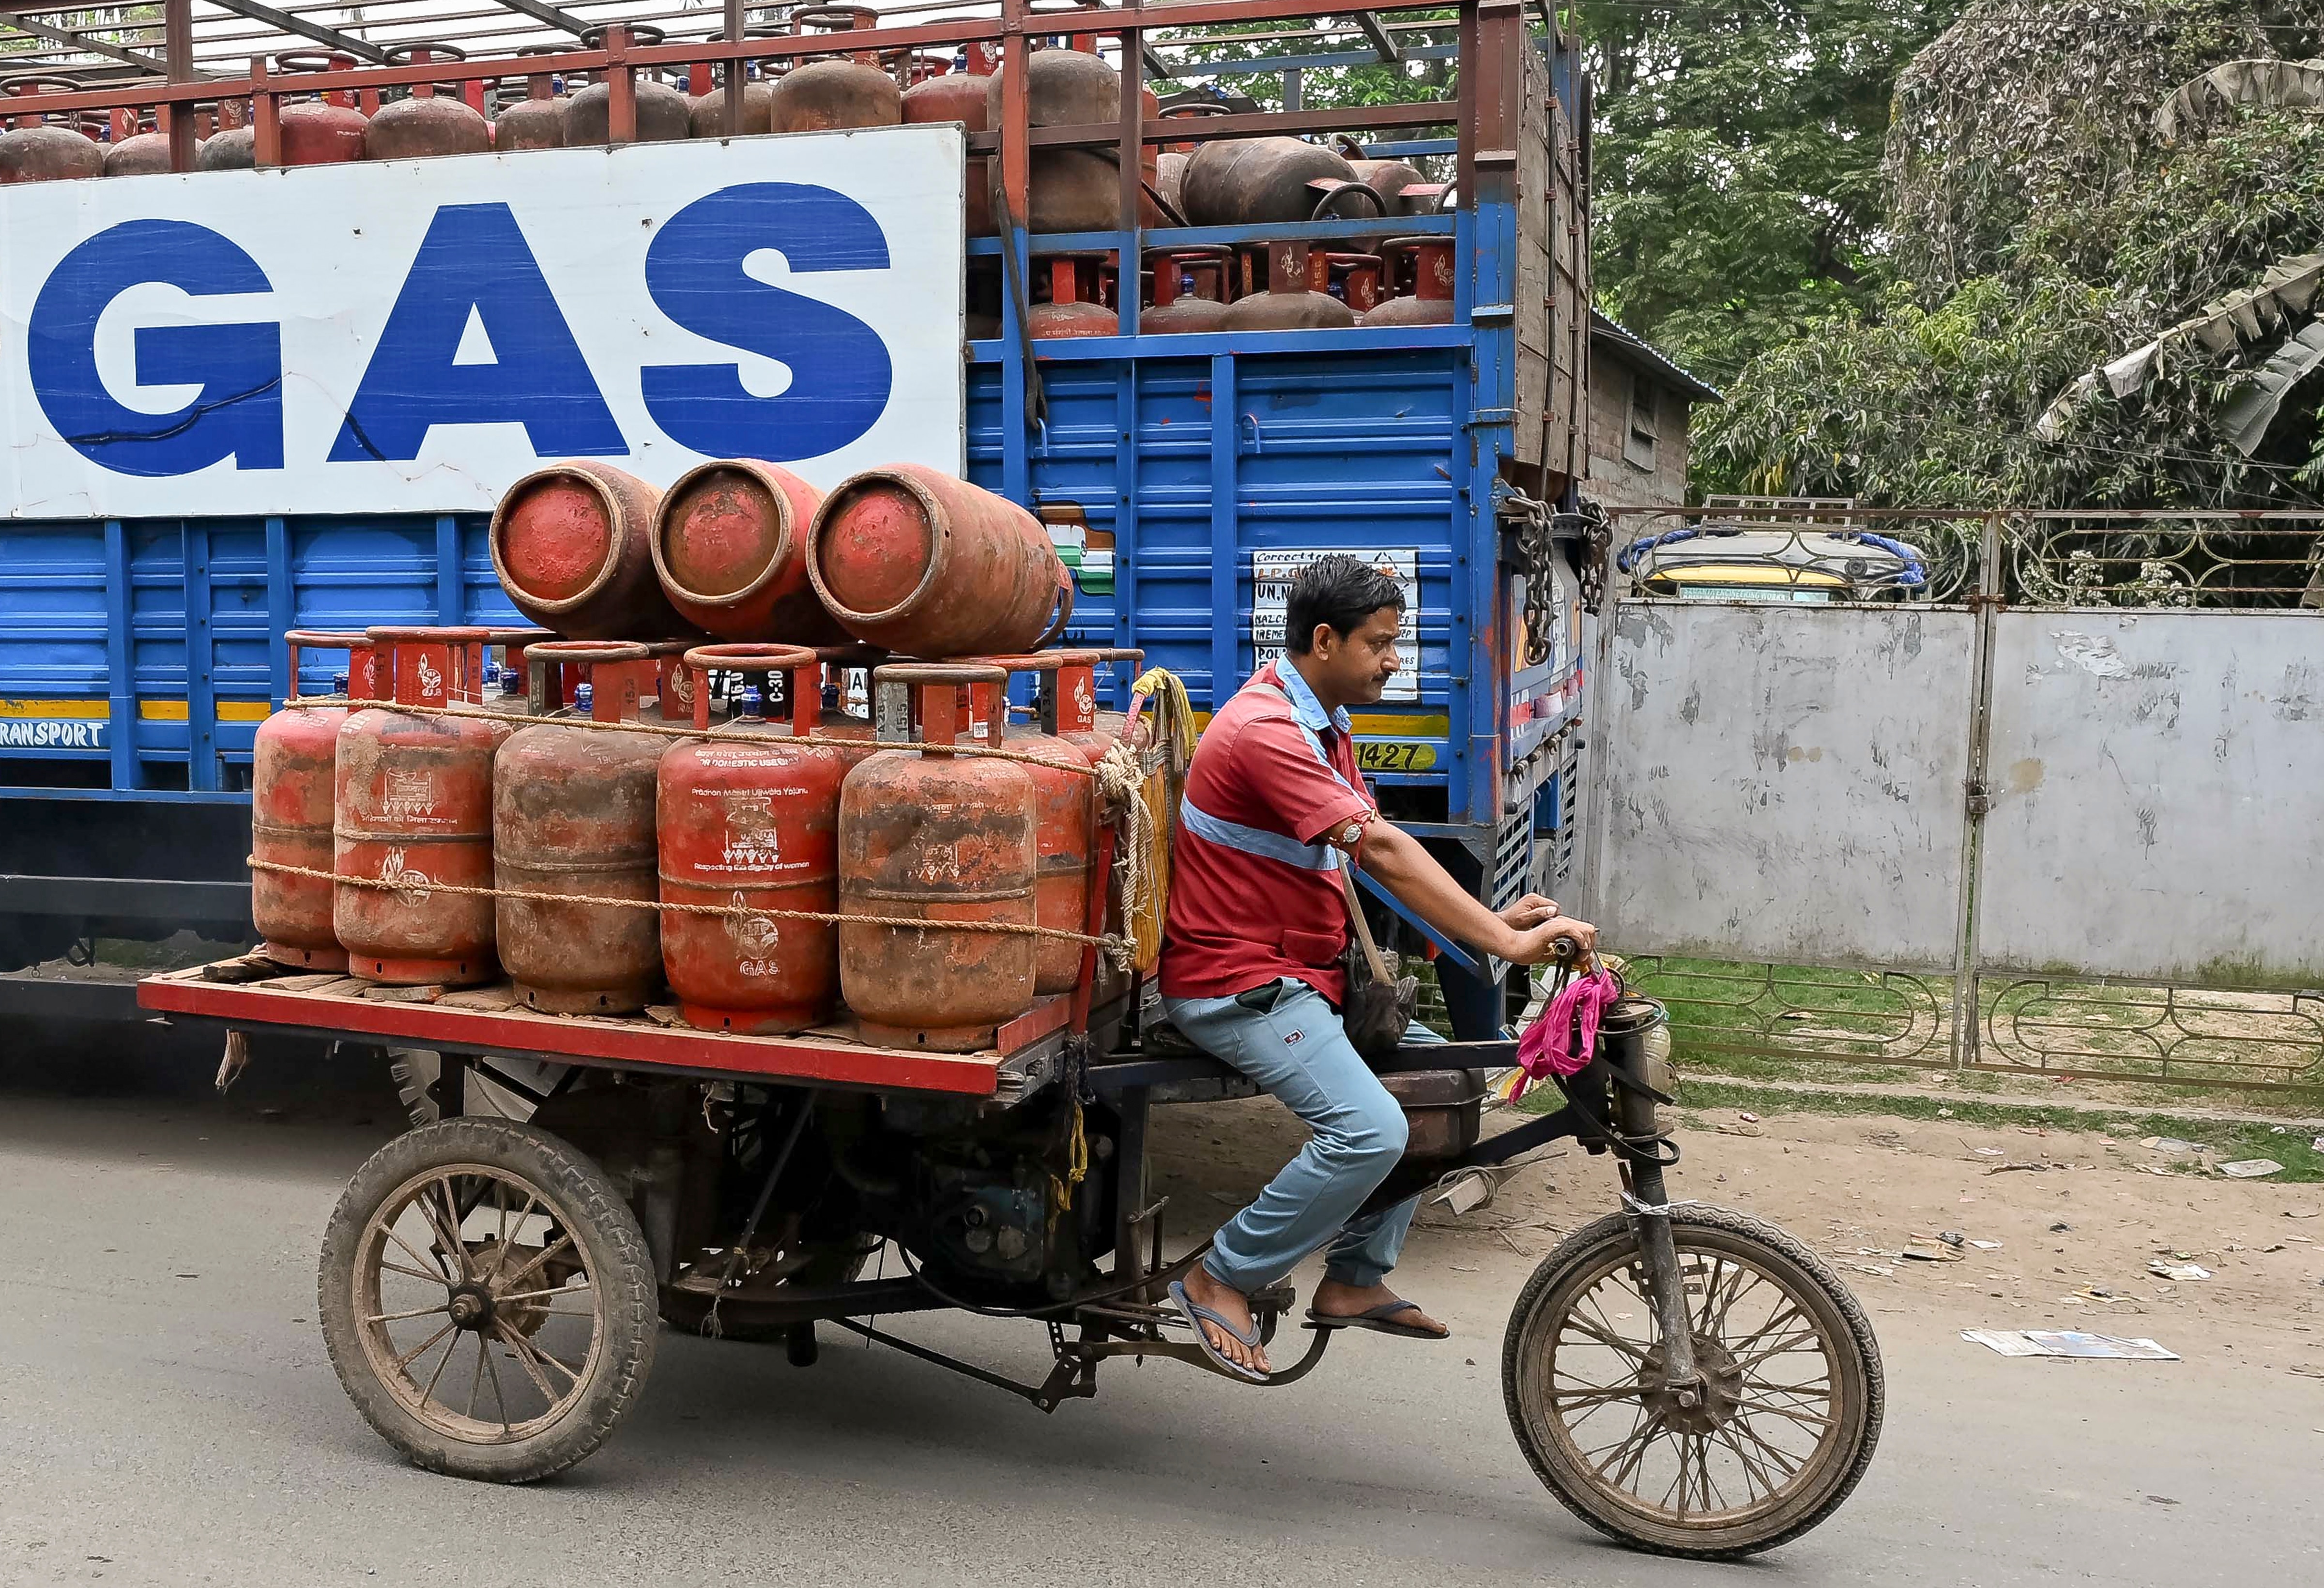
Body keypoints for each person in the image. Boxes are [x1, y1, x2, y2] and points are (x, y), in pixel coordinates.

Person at [1158, 554, 1598, 1379]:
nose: (1395, 660)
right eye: (1381, 644)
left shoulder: (1323, 721)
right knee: (1369, 1130)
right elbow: (1386, 850)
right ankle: (1220, 1274)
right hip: (1236, 986)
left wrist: (1488, 922)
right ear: (1324, 640)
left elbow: (1362, 860)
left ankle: (1355, 1279)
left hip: (1304, 979)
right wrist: (1503, 946)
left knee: (1445, 1082)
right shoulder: (1267, 731)